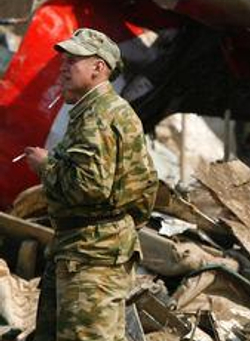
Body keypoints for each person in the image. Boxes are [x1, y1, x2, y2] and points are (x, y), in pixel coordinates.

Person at [23, 28, 158, 341]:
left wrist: (46, 167)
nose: (63, 68)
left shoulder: (98, 115)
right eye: (63, 62)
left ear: (99, 68)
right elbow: (145, 186)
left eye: (73, 61)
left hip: (91, 258)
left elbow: (90, 186)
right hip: (85, 251)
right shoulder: (99, 112)